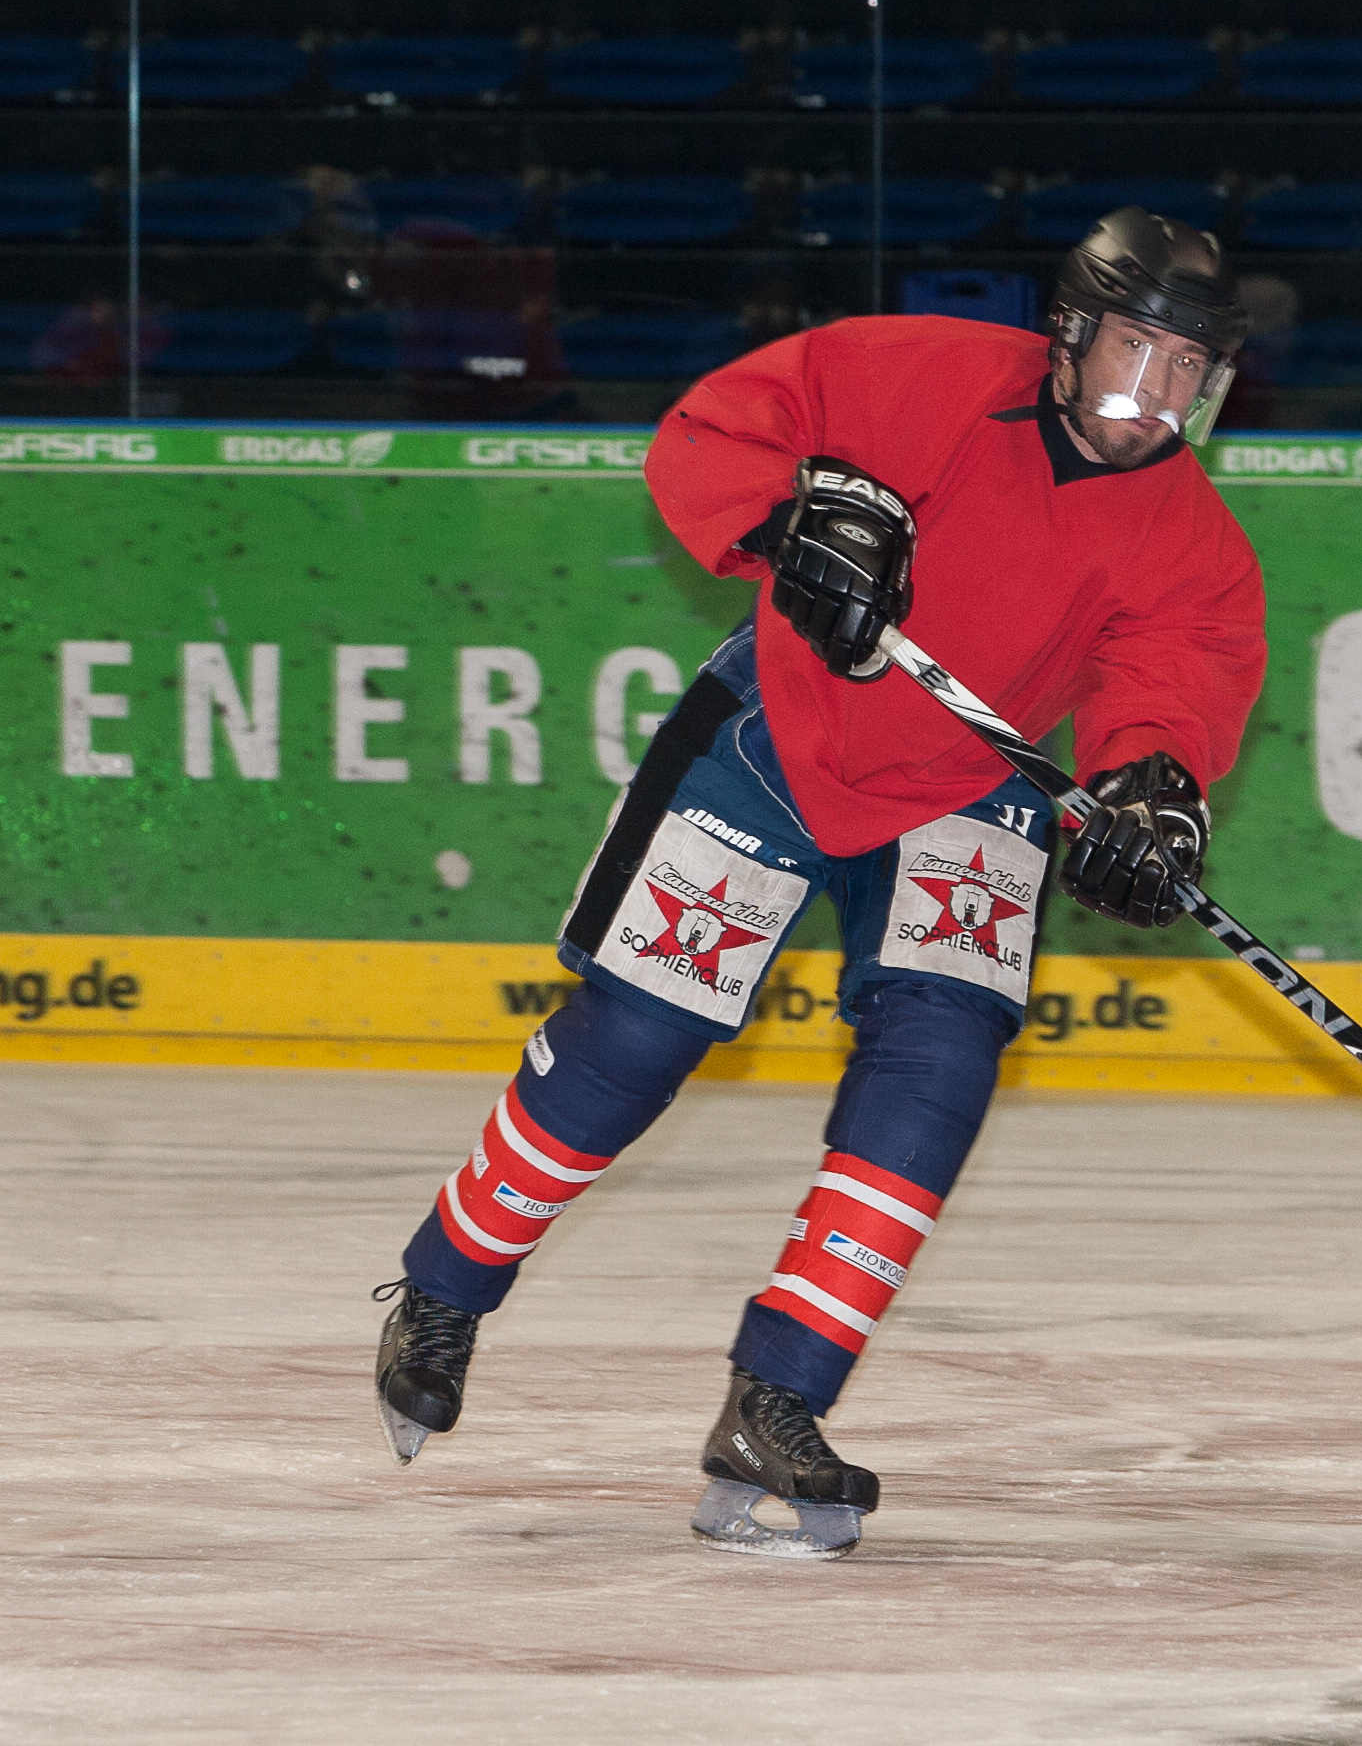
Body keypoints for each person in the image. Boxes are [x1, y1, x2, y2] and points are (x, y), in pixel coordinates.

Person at [370, 209, 1267, 1559]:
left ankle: (777, 1400)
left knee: (938, 1068)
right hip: (780, 734)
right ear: (1070, 335)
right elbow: (712, 434)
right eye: (1135, 351)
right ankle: (445, 1287)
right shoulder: (916, 372)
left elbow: (1172, 678)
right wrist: (787, 523)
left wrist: (1152, 787)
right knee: (635, 1040)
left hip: (971, 783)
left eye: (1186, 368)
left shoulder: (1190, 537)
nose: (1155, 394)